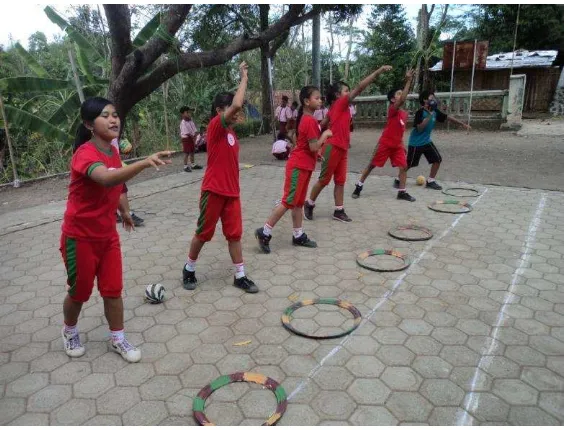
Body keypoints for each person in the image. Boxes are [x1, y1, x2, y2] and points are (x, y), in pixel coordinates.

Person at [60, 97, 171, 362]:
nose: (114, 120)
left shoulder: (113, 149)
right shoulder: (85, 154)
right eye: (105, 115)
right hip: (80, 237)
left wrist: (124, 211)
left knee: (113, 290)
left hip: (107, 236)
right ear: (89, 124)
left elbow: (117, 186)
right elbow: (106, 177)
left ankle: (118, 339)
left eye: (115, 114)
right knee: (80, 292)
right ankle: (70, 331)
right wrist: (144, 163)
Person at [182, 62, 258, 294]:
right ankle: (189, 268)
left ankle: (240, 275)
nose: (237, 113)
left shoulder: (232, 133)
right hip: (213, 191)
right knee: (203, 234)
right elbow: (237, 103)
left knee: (234, 235)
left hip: (232, 194)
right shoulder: (216, 126)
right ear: (218, 111)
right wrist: (243, 78)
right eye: (231, 111)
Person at [303, 65, 393, 223]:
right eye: (346, 91)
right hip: (332, 147)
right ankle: (309, 204)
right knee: (324, 180)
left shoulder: (337, 108)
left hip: (342, 149)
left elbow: (323, 123)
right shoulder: (341, 103)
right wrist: (378, 71)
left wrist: (317, 134)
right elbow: (360, 87)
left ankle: (339, 211)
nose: (349, 93)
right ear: (338, 95)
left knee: (340, 181)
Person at [255, 86, 333, 254]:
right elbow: (313, 146)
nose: (320, 100)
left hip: (304, 165)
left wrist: (317, 155)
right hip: (298, 166)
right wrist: (325, 135)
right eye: (317, 98)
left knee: (297, 202)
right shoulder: (309, 120)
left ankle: (298, 235)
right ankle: (265, 231)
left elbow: (306, 145)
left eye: (320, 98)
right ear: (306, 101)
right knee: (288, 201)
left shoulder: (307, 119)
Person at [353, 69, 417, 202]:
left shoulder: (403, 114)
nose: (401, 95)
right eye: (399, 94)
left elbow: (399, 131)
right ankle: (359, 186)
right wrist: (409, 80)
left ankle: (402, 192)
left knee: (404, 167)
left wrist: (402, 144)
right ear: (393, 99)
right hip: (385, 144)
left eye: (401, 93)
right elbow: (404, 99)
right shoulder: (392, 109)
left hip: (397, 145)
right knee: (372, 165)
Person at [403, 90, 472, 190]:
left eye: (434, 98)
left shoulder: (435, 111)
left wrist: (463, 124)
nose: (434, 100)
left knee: (437, 159)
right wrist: (429, 115)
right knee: (410, 163)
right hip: (415, 143)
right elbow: (419, 128)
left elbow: (447, 117)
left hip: (426, 142)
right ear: (425, 100)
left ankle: (431, 181)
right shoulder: (420, 113)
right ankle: (398, 179)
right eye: (431, 98)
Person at [111, 137, 145, 226]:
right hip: (110, 163)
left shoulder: (112, 134)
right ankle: (127, 214)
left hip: (114, 161)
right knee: (121, 189)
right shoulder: (102, 133)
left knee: (114, 190)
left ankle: (113, 213)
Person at [180, 106, 202, 172]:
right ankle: (185, 166)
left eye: (190, 112)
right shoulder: (183, 123)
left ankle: (193, 164)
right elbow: (187, 133)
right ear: (182, 114)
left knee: (192, 151)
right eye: (187, 112)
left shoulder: (191, 121)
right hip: (186, 139)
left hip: (192, 138)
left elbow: (194, 130)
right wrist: (194, 138)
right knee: (186, 152)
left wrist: (196, 137)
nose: (189, 114)